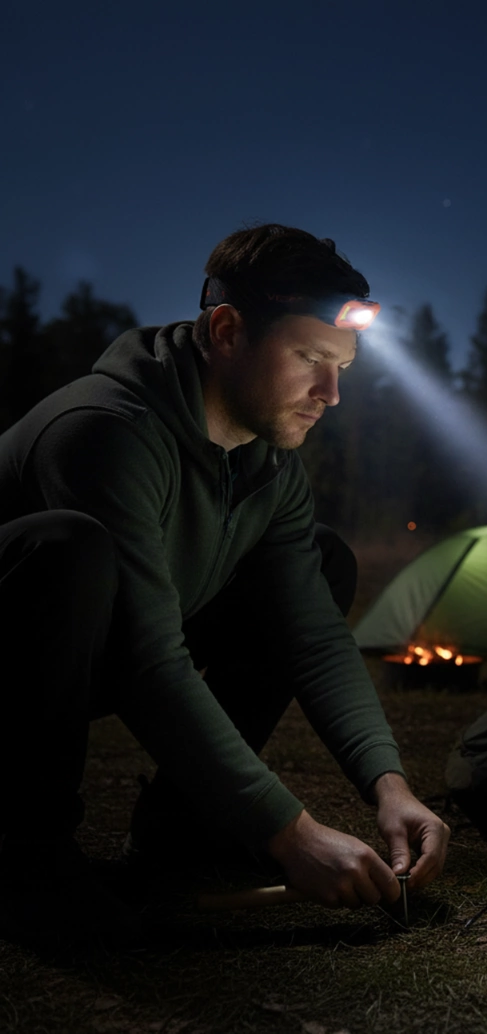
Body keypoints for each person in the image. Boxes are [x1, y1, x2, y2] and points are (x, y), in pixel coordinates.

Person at [0, 224, 449, 947]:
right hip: (28, 649)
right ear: (228, 331)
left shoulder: (267, 464)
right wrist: (290, 833)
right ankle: (27, 856)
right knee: (68, 548)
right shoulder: (103, 430)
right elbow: (149, 659)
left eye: (342, 366)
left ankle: (183, 830)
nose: (332, 393)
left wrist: (388, 786)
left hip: (103, 651)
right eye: (310, 358)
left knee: (325, 561)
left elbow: (313, 635)